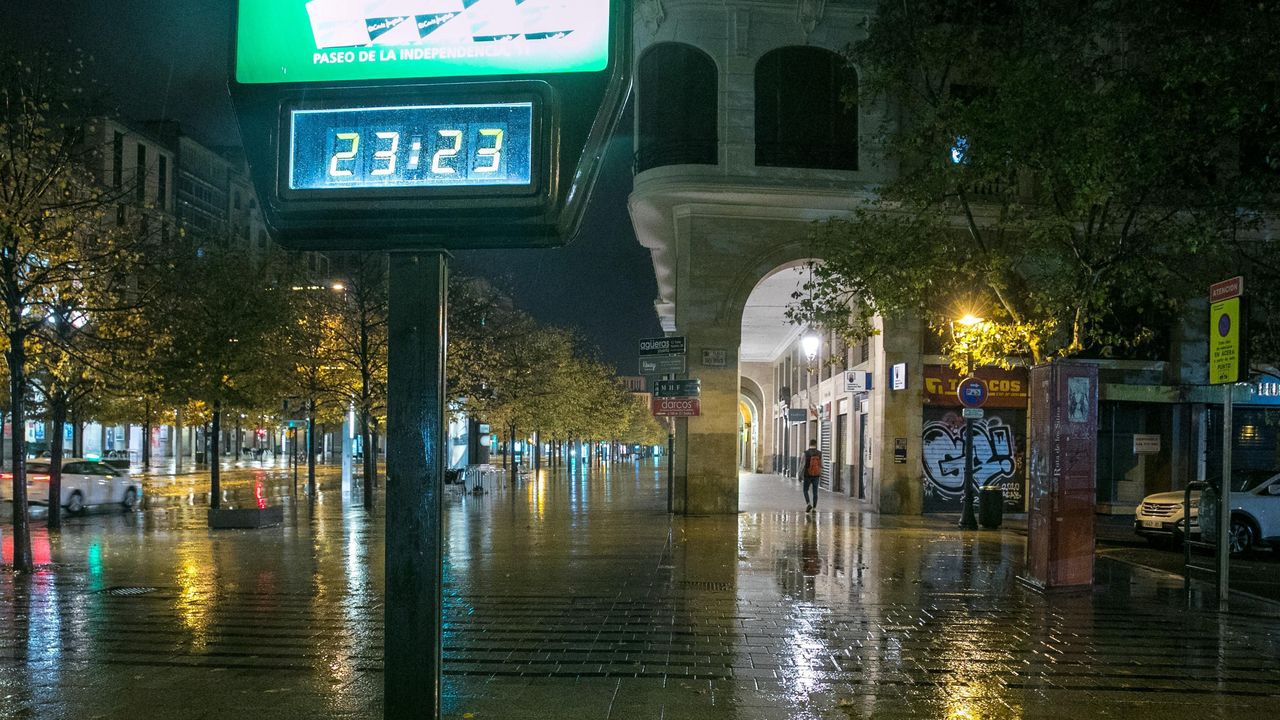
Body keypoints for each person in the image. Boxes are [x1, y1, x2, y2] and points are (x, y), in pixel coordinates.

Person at [802, 439, 822, 513]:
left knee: (805, 490)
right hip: (816, 475)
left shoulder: (805, 453)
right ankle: (814, 507)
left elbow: (802, 464)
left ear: (809, 444)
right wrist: (820, 472)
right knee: (815, 491)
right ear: (816, 444)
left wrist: (800, 474)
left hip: (807, 474)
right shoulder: (819, 453)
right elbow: (821, 465)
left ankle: (808, 503)